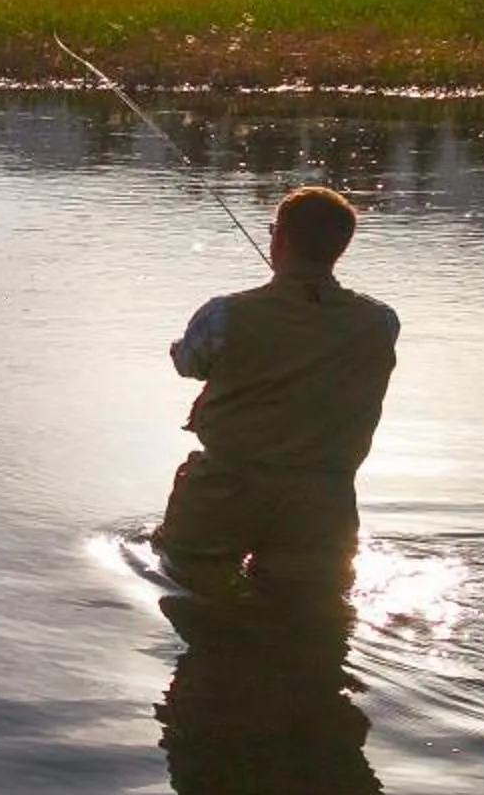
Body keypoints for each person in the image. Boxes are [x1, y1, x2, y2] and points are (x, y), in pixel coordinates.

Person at [156, 185, 398, 599]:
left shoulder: (224, 315)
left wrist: (180, 347)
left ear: (280, 239)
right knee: (308, 607)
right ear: (341, 247)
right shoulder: (381, 323)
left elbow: (188, 364)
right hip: (323, 502)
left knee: (190, 589)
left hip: (224, 492)